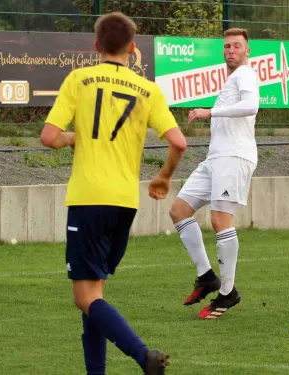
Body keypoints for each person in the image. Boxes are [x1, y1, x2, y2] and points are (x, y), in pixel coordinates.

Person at [40, 12, 187, 375]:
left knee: (83, 297)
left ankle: (143, 356)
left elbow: (48, 137)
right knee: (95, 296)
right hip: (124, 203)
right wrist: (164, 176)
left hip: (88, 199)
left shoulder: (79, 79)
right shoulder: (148, 90)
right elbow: (179, 142)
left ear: (96, 46)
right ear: (132, 49)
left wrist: (71, 138)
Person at [168, 28, 259, 320]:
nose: (231, 50)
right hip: (215, 158)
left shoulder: (245, 74)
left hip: (234, 157)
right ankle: (207, 276)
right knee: (179, 210)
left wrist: (211, 112)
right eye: (227, 46)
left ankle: (227, 293)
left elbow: (251, 105)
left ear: (247, 51)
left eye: (237, 46)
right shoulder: (232, 79)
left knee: (220, 219)